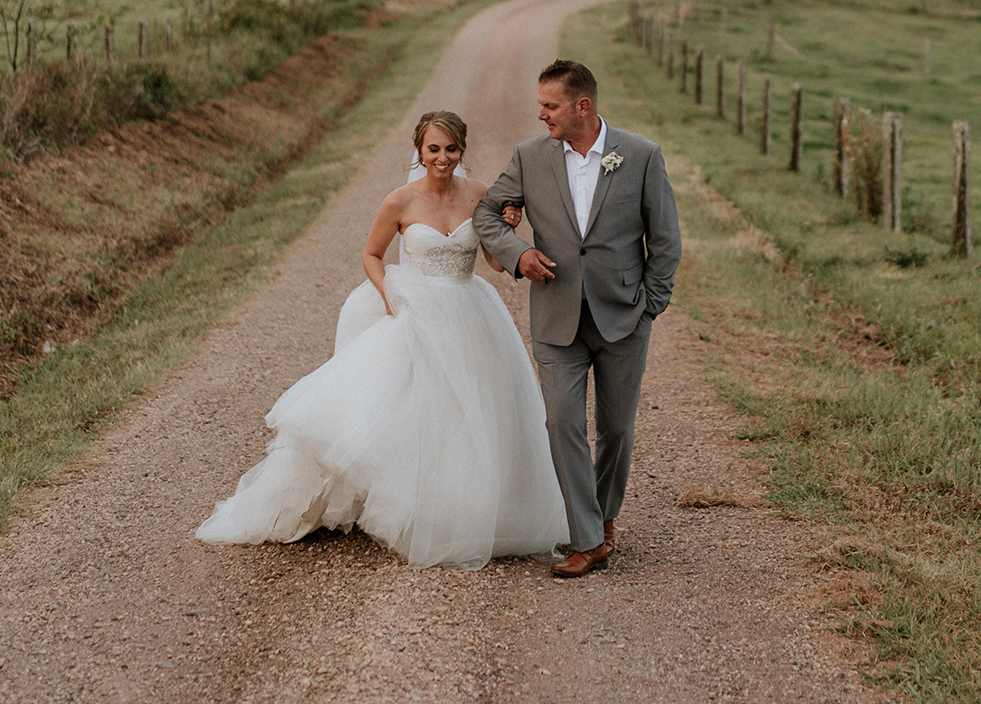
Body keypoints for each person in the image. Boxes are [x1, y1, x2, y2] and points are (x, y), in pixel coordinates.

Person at [196, 111, 568, 569]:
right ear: (420, 151)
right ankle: (410, 504)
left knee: (472, 409)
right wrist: (390, 293)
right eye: (434, 149)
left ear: (461, 151)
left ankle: (463, 509)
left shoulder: (479, 195)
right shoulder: (400, 201)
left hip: (469, 309)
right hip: (415, 307)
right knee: (409, 407)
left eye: (451, 149)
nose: (443, 158)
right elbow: (372, 255)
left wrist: (507, 225)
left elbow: (492, 260)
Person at [474, 59, 682, 578]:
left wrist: (650, 304)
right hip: (556, 316)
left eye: (550, 105)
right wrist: (518, 252)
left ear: (582, 106)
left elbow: (665, 239)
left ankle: (605, 518)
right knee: (562, 421)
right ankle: (587, 539)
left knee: (616, 428)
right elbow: (485, 214)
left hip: (623, 317)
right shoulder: (528, 157)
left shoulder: (640, 155)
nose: (540, 114)